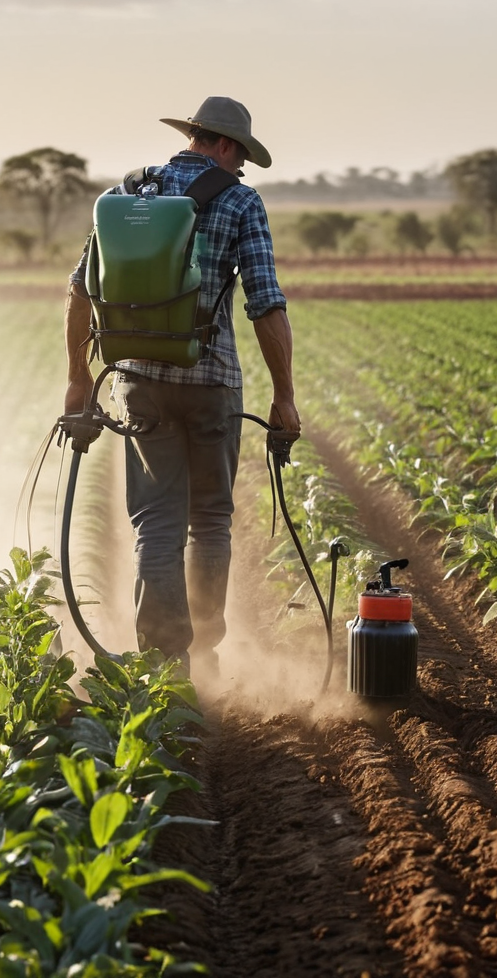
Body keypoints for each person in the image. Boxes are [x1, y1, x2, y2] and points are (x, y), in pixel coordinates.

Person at [64, 95, 301, 676]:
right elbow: (265, 304)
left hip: (138, 380)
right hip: (212, 380)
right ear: (222, 144)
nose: (239, 168)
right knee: (211, 519)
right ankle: (204, 652)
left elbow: (79, 292)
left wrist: (77, 380)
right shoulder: (241, 202)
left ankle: (164, 659)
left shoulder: (125, 197)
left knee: (156, 522)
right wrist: (285, 396)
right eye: (239, 155)